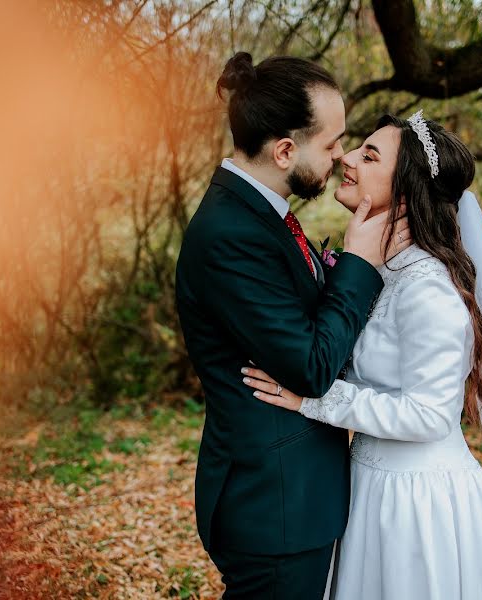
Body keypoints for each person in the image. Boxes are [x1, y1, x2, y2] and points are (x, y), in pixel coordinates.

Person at [242, 111, 482, 599]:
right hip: (372, 489)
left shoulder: (429, 290)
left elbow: (428, 415)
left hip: (420, 506)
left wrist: (310, 399)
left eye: (369, 155)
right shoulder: (385, 273)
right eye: (356, 148)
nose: (348, 159)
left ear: (405, 189)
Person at [174, 53, 410, 599]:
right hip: (273, 505)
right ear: (285, 150)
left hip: (293, 498)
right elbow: (311, 365)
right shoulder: (230, 234)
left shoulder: (260, 214)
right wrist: (357, 263)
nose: (341, 157)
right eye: (331, 145)